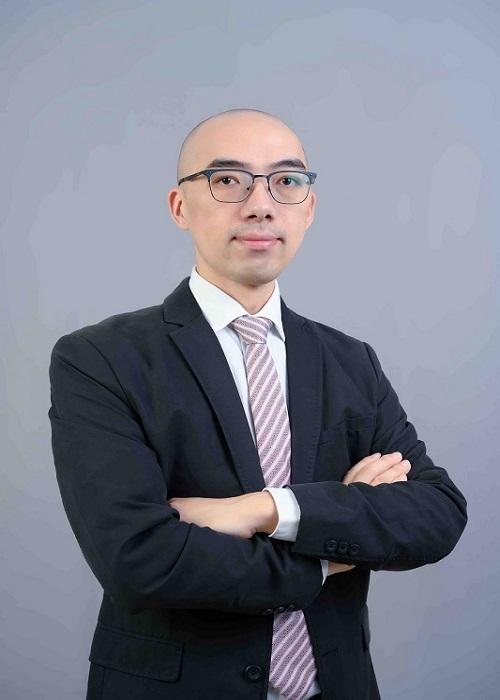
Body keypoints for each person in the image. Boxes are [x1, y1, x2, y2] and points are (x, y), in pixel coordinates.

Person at [48, 107, 468, 700]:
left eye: (286, 181)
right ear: (179, 207)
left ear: (309, 208)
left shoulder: (350, 361)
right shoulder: (101, 359)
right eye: (228, 179)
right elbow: (137, 560)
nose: (261, 205)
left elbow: (436, 513)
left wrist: (266, 510)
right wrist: (327, 555)